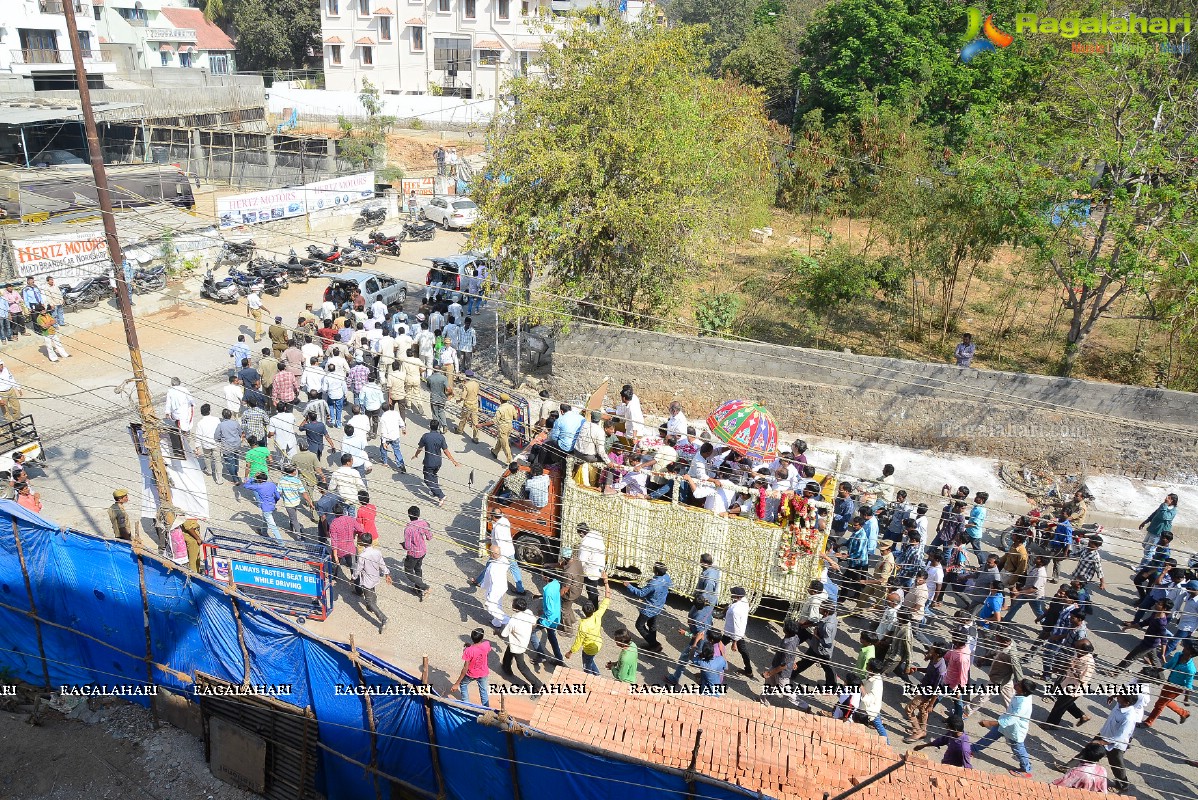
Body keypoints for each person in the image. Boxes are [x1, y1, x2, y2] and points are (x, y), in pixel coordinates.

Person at [1066, 691, 1141, 793]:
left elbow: (1120, 737)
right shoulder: (1120, 705)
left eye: (1120, 697)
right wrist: (1113, 696)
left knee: (1116, 765)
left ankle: (1123, 786)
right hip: (1104, 733)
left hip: (1115, 744)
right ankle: (1068, 767)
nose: (1118, 698)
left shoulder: (1129, 717)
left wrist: (1101, 742)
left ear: (1127, 702)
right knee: (1088, 751)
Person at [972, 677, 1037, 777]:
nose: (1016, 684)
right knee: (989, 737)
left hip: (1015, 730)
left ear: (1024, 691)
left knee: (1018, 749)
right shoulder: (1022, 695)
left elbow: (1011, 719)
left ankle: (1026, 769)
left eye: (1019, 685)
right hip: (1005, 725)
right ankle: (972, 749)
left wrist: (990, 723)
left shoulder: (1023, 704)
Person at [1044, 638, 1096, 728]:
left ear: (1083, 650)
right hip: (1067, 683)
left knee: (1059, 707)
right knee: (1066, 703)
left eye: (1077, 648)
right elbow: (1069, 664)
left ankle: (1051, 724)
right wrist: (1059, 669)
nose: (1075, 649)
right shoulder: (1079, 654)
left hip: (1074, 688)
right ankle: (1082, 716)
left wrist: (1072, 668)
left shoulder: (1089, 663)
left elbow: (1082, 679)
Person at [1142, 639, 1196, 726]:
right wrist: (1156, 670)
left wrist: (1186, 699)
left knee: (1160, 704)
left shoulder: (1190, 669)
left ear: (1191, 654)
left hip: (1176, 688)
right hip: (1169, 682)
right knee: (1165, 701)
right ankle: (1184, 713)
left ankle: (1148, 722)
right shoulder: (1178, 655)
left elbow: (1188, 685)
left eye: (1187, 648)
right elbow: (1168, 665)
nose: (1184, 648)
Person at [789, 601, 839, 691]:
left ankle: (832, 687)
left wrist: (816, 635)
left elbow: (827, 643)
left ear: (826, 612)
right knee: (807, 661)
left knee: (828, 668)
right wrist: (810, 624)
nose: (819, 608)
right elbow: (820, 622)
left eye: (821, 608)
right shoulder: (832, 616)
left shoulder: (827, 626)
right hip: (816, 647)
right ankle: (793, 673)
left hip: (822, 651)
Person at [903, 642, 947, 741]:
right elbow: (928, 670)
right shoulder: (934, 659)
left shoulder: (941, 670)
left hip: (927, 694)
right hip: (924, 688)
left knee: (909, 709)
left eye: (932, 649)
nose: (930, 650)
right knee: (923, 710)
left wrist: (931, 704)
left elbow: (937, 690)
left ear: (937, 653)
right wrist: (917, 669)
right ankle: (923, 731)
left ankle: (917, 731)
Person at [568, 577, 611, 675]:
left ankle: (593, 678)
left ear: (583, 611)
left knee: (586, 668)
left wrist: (570, 652)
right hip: (598, 644)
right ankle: (597, 675)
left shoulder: (583, 625)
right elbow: (607, 597)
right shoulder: (598, 615)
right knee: (590, 661)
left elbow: (578, 642)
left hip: (588, 649)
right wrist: (606, 582)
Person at [501, 597, 545, 694]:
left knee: (522, 667)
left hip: (517, 646)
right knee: (508, 653)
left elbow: (504, 634)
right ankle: (506, 667)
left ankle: (539, 686)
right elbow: (534, 622)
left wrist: (496, 632)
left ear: (516, 608)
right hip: (522, 641)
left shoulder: (513, 620)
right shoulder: (528, 612)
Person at [626, 562, 671, 652]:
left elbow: (641, 593)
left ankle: (654, 644)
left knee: (639, 625)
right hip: (659, 606)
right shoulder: (667, 577)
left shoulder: (653, 584)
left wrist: (628, 585)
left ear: (657, 572)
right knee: (652, 625)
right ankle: (652, 646)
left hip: (649, 609)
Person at [352, 532, 391, 634]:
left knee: (369, 600)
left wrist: (353, 577)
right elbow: (382, 564)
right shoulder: (377, 552)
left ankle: (383, 618)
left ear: (362, 543)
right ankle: (372, 606)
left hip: (367, 580)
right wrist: (387, 573)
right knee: (372, 593)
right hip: (375, 577)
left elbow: (358, 569)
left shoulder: (362, 555)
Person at [414, 420, 460, 506]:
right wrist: (453, 461)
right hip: (438, 462)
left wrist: (416, 455)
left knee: (427, 480)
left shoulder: (425, 436)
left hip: (429, 462)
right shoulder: (441, 437)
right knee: (434, 475)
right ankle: (434, 492)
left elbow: (420, 448)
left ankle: (440, 495)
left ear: (430, 426)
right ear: (438, 427)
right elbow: (446, 451)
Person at [451, 629, 492, 706]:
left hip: (471, 674)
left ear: (471, 638)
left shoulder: (468, 651)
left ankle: (466, 705)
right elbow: (483, 652)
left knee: (463, 684)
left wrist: (457, 683)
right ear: (482, 638)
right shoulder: (487, 644)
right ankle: (487, 709)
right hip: (483, 672)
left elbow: (465, 668)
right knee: (483, 691)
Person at [1139, 494, 1179, 569]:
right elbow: (1155, 514)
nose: (1166, 499)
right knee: (1145, 545)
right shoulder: (1163, 505)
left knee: (1149, 550)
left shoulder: (1173, 511)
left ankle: (1142, 568)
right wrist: (1145, 522)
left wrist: (1165, 505)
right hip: (1152, 529)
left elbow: (1164, 516)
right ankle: (1150, 558)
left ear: (1172, 501)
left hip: (1159, 533)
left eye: (1168, 498)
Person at [401, 506, 433, 600]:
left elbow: (407, 546)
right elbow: (429, 537)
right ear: (418, 515)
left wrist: (403, 545)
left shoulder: (408, 529)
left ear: (408, 515)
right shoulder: (424, 523)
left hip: (413, 554)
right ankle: (418, 589)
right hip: (423, 551)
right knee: (418, 568)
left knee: (409, 572)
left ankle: (424, 587)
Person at [722, 586, 753, 677]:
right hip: (738, 633)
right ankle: (748, 670)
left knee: (719, 645)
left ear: (737, 596)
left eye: (733, 594)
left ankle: (711, 661)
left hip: (733, 632)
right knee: (743, 651)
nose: (731, 594)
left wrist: (734, 642)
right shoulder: (744, 601)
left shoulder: (736, 610)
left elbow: (736, 626)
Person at [245, 472, 284, 543]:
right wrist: (274, 501)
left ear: (259, 480)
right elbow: (278, 496)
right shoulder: (272, 484)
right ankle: (264, 532)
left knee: (272, 525)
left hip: (265, 508)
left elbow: (246, 485)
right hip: (272, 505)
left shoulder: (258, 487)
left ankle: (281, 542)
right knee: (265, 518)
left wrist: (252, 478)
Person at [481, 545, 512, 628]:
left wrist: (483, 586)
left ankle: (507, 620)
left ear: (491, 555)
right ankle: (496, 623)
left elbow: (487, 580)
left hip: (494, 589)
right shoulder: (504, 560)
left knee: (490, 606)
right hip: (503, 587)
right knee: (498, 604)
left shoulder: (492, 567)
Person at [278, 464, 314, 535]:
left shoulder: (282, 480)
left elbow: (278, 492)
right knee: (294, 519)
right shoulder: (297, 481)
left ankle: (292, 527)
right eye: (295, 470)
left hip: (288, 503)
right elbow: (304, 493)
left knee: (293, 516)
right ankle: (299, 536)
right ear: (293, 472)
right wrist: (310, 502)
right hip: (296, 501)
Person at [578, 523, 607, 607]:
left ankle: (594, 605)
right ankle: (593, 600)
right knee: (593, 585)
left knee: (591, 587)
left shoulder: (585, 543)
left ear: (581, 533)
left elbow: (581, 560)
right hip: (599, 564)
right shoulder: (596, 535)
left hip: (591, 569)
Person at [192, 403, 222, 484]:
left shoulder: (200, 423)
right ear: (209, 411)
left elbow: (198, 436)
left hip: (206, 444)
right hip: (216, 443)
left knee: (207, 458)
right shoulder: (216, 419)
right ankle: (219, 479)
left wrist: (197, 447)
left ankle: (209, 470)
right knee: (218, 460)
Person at [214, 410, 242, 485]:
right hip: (236, 444)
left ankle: (235, 478)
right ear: (230, 416)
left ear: (223, 416)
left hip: (227, 446)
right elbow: (240, 433)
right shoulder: (235, 423)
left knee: (230, 463)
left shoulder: (221, 425)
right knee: (236, 459)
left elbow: (216, 437)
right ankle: (236, 471)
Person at [378, 404, 407, 474]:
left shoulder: (383, 418)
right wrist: (403, 428)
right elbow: (401, 421)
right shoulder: (395, 413)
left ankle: (385, 462)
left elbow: (383, 431)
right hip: (395, 436)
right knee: (397, 450)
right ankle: (401, 464)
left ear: (382, 409)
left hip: (387, 437)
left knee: (383, 448)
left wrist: (384, 441)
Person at [491, 393, 518, 464]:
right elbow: (515, 417)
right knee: (502, 439)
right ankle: (495, 452)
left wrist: (481, 425)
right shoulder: (511, 407)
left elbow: (493, 421)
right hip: (509, 426)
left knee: (505, 445)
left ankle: (510, 461)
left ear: (501, 400)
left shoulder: (500, 409)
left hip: (502, 428)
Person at [455, 371, 481, 442]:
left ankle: (460, 430)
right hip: (475, 404)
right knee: (475, 421)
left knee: (463, 418)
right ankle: (476, 437)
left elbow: (463, 397)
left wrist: (458, 401)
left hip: (467, 404)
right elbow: (478, 393)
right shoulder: (476, 383)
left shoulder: (466, 385)